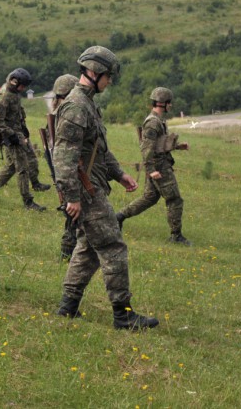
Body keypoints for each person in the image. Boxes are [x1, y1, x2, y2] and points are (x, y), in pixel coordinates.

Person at [53, 46, 159, 330]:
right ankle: (123, 314)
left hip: (92, 185)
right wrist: (71, 197)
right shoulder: (76, 106)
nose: (109, 81)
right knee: (113, 245)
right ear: (95, 72)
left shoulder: (87, 104)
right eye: (108, 76)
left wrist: (120, 174)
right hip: (85, 191)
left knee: (88, 247)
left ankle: (67, 307)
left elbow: (97, 148)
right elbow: (63, 155)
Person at [116, 87, 191, 245]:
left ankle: (119, 216)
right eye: (169, 103)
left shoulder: (159, 120)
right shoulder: (153, 122)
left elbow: (160, 144)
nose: (171, 105)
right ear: (163, 103)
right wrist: (152, 171)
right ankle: (176, 236)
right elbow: (146, 148)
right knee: (175, 199)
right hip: (159, 166)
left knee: (149, 198)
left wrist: (178, 146)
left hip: (158, 164)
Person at [0, 68, 49, 211]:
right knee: (22, 168)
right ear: (14, 82)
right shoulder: (5, 97)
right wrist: (11, 134)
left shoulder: (14, 94)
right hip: (12, 137)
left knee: (12, 167)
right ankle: (28, 202)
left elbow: (16, 114)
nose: (24, 89)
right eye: (22, 85)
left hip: (18, 133)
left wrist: (22, 128)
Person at [47, 74, 80, 260]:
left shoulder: (59, 116)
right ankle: (66, 254)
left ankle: (69, 253)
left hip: (67, 173)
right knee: (73, 217)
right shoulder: (66, 117)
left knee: (74, 217)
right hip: (69, 173)